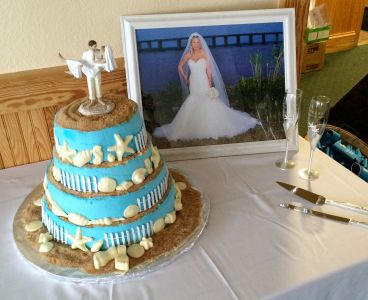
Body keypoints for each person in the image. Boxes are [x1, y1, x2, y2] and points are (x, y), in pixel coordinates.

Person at [153, 32, 259, 141]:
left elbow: (208, 70)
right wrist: (186, 78)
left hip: (203, 81)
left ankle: (212, 125)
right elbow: (180, 66)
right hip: (193, 81)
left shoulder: (205, 53)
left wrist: (209, 85)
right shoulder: (188, 54)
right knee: (193, 99)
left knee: (207, 100)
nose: (196, 44)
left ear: (200, 43)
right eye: (194, 42)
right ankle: (191, 127)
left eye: (198, 42)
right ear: (191, 43)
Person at [59, 40, 117, 107]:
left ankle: (100, 98)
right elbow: (84, 60)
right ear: (90, 46)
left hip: (97, 71)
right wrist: (82, 64)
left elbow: (102, 59)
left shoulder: (98, 52)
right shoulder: (85, 53)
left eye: (96, 46)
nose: (95, 47)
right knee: (90, 85)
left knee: (98, 84)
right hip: (89, 71)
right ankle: (92, 99)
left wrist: (101, 58)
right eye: (94, 46)